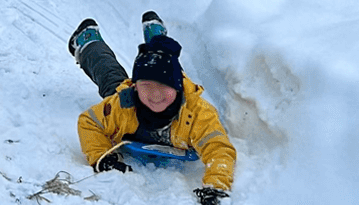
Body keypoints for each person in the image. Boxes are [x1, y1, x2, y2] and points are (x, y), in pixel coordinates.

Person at [69, 13, 236, 205]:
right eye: (147, 85)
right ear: (135, 86)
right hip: (135, 93)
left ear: (178, 87)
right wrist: (102, 155)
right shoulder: (122, 105)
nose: (155, 95)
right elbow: (88, 122)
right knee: (109, 75)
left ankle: (157, 37)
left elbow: (218, 149)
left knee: (166, 65)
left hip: (172, 83)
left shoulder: (197, 113)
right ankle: (87, 42)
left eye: (164, 87)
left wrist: (216, 186)